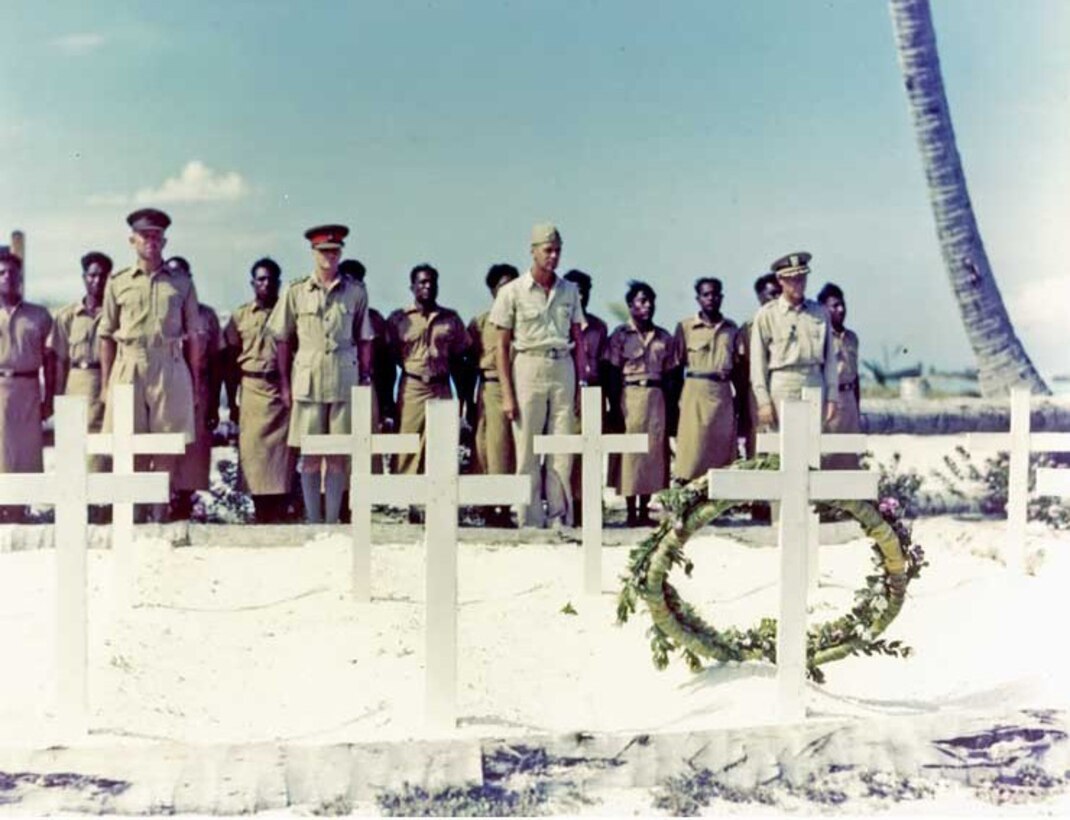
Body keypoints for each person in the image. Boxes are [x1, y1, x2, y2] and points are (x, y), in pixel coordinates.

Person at [98, 208, 201, 524]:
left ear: (165, 240)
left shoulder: (181, 283)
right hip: (129, 365)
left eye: (157, 236)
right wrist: (105, 386)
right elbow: (106, 335)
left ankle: (160, 515)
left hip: (168, 365)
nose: (151, 242)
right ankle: (133, 516)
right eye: (145, 236)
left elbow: (194, 337)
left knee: (166, 445)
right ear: (133, 240)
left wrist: (194, 383)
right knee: (130, 445)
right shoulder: (118, 283)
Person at [268, 224, 373, 524]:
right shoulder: (296, 290)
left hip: (343, 379)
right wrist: (286, 385)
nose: (329, 257)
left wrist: (364, 378)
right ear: (313, 253)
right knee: (311, 454)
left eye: (335, 251)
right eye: (323, 251)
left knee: (339, 454)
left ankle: (332, 521)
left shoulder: (355, 291)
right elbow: (282, 339)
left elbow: (364, 337)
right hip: (308, 380)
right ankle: (314, 521)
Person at [490, 223, 587, 529]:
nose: (553, 256)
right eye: (547, 250)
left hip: (563, 367)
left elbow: (578, 339)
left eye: (558, 250)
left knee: (562, 446)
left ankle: (559, 515)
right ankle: (529, 517)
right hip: (528, 367)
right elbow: (501, 347)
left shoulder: (569, 290)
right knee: (528, 447)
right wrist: (507, 393)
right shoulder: (512, 292)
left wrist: (581, 384)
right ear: (532, 251)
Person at [386, 264, 471, 523]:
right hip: (412, 385)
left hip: (441, 385)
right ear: (412, 287)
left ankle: (439, 504)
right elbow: (390, 357)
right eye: (421, 282)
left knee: (442, 444)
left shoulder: (451, 319)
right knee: (409, 444)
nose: (427, 286)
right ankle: (407, 504)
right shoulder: (399, 319)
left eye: (432, 282)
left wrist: (465, 399)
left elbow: (460, 357)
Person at [222, 257, 295, 523]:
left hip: (281, 390)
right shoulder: (240, 316)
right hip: (251, 390)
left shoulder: (289, 314)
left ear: (278, 282)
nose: (266, 284)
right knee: (254, 458)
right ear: (252, 283)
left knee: (282, 460)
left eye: (271, 279)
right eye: (260, 279)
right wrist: (232, 402)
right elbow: (229, 362)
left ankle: (281, 513)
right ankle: (260, 513)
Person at [604, 281, 680, 527]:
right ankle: (630, 511)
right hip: (630, 395)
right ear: (630, 305)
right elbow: (612, 372)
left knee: (652, 452)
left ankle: (645, 508)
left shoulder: (664, 337)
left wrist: (672, 407)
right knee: (630, 453)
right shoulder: (619, 336)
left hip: (656, 397)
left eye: (650, 301)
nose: (647, 306)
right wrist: (614, 406)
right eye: (641, 301)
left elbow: (672, 375)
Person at [750, 252, 838, 434]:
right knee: (783, 446)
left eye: (802, 278)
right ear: (780, 280)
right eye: (792, 279)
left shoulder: (819, 313)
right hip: (783, 384)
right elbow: (758, 363)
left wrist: (832, 397)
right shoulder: (767, 315)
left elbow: (830, 360)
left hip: (814, 381)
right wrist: (763, 401)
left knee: (812, 445)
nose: (799, 283)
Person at [166, 256, 223, 521]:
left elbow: (218, 361)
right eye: (171, 274)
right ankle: (164, 506)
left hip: (198, 391)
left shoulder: (206, 315)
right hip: (165, 392)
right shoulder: (160, 315)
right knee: (166, 451)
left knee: (194, 453)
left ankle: (187, 506)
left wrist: (213, 404)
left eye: (182, 275)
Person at [0, 250, 54, 523]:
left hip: (29, 388)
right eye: (1, 273)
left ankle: (19, 510)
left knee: (25, 450)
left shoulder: (39, 315)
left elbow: (50, 359)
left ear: (21, 278)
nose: (7, 278)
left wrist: (49, 399)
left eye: (12, 273)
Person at [672, 277, 743, 482]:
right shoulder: (685, 327)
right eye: (706, 294)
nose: (711, 298)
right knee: (692, 450)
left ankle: (716, 505)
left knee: (720, 450)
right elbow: (676, 369)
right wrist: (676, 402)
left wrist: (737, 399)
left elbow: (737, 368)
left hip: (722, 394)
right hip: (695, 393)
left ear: (721, 297)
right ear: (698, 298)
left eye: (715, 294)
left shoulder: (730, 329)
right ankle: (686, 500)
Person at [49, 252, 113, 481]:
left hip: (105, 382)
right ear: (84, 277)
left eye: (103, 276)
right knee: (73, 441)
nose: (98, 281)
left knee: (102, 445)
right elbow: (59, 359)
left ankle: (100, 506)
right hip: (76, 381)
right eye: (93, 275)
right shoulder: (67, 315)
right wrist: (56, 395)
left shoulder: (116, 315)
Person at [466, 263, 519, 527]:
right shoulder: (480, 323)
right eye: (501, 287)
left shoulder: (524, 322)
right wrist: (467, 401)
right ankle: (488, 507)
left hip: (520, 387)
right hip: (490, 388)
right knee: (488, 446)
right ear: (492, 291)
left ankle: (507, 505)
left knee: (513, 448)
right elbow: (467, 362)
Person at [562, 269, 609, 527]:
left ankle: (587, 507)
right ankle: (566, 507)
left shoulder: (599, 327)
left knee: (590, 456)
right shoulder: (559, 325)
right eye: (577, 291)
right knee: (565, 454)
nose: (582, 296)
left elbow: (606, 368)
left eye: (586, 291)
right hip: (565, 395)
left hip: (592, 395)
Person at [737, 272, 782, 460]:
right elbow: (741, 369)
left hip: (783, 388)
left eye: (779, 293)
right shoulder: (748, 328)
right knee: (759, 442)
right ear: (760, 297)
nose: (777, 298)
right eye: (772, 294)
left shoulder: (788, 324)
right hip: (757, 392)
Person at [817, 282, 861, 468]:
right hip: (830, 401)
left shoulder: (852, 337)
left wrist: (857, 408)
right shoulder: (820, 338)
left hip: (849, 401)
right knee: (829, 455)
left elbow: (855, 375)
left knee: (850, 456)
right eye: (835, 306)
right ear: (824, 309)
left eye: (843, 305)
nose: (841, 310)